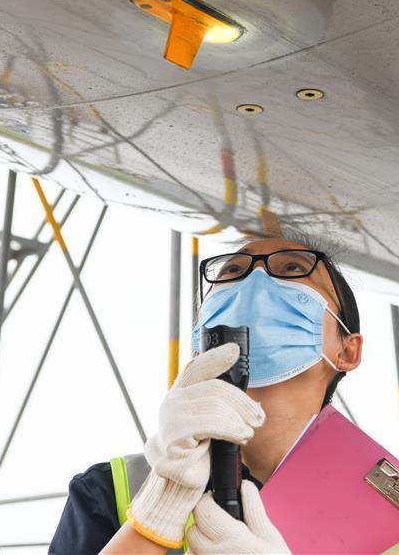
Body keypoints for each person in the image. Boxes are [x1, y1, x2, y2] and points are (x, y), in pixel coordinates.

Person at [49, 233, 364, 554]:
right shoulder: (112, 490)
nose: (255, 280)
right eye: (232, 271)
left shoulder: (385, 517)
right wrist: (159, 508)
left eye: (293, 268)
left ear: (347, 351)